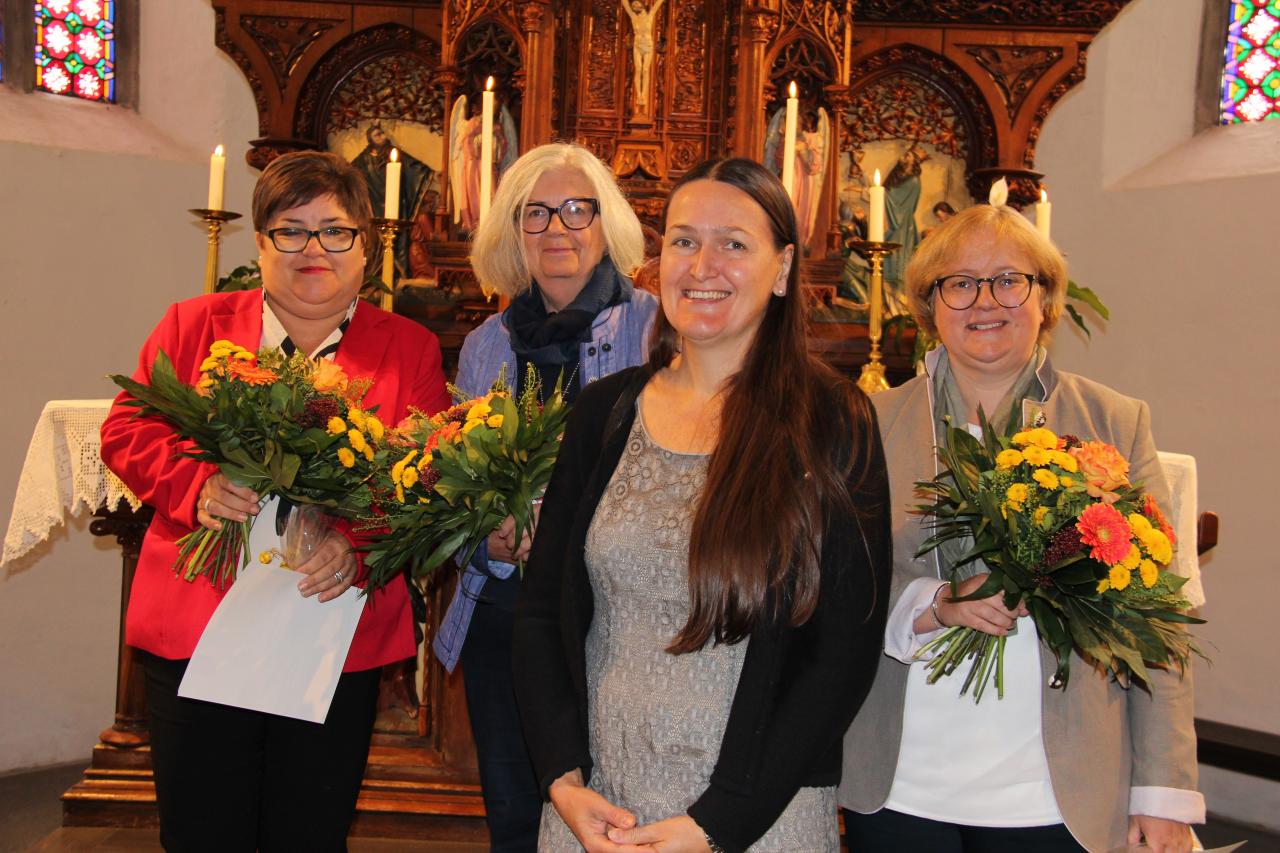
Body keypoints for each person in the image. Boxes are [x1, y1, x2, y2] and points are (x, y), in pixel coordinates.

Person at [513, 157, 892, 853]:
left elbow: (843, 652)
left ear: (781, 269)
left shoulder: (832, 420)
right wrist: (562, 777)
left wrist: (721, 822)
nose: (702, 263)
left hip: (756, 815)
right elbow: (541, 611)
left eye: (734, 243)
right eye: (684, 241)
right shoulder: (604, 411)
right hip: (598, 810)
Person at [101, 150, 451, 852]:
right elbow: (127, 428)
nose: (312, 249)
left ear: (364, 244)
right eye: (290, 230)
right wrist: (192, 485)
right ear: (259, 244)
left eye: (334, 229)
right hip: (200, 629)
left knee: (309, 832)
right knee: (204, 831)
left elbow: (428, 471)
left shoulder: (407, 347)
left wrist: (356, 547)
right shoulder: (192, 325)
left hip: (330, 632)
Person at [839, 203, 1202, 853]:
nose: (986, 301)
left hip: (1055, 784)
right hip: (902, 778)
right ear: (930, 305)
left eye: (1010, 279)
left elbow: (1159, 618)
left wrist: (1162, 790)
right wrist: (935, 603)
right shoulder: (869, 421)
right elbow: (833, 583)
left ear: (1045, 297)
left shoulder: (1114, 422)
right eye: (960, 282)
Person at [431, 142, 657, 851]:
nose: (557, 227)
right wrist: (489, 533)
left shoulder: (656, 326)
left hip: (614, 615)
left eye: (576, 209)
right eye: (537, 213)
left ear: (605, 222)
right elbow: (454, 480)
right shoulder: (483, 345)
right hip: (507, 611)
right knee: (514, 809)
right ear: (512, 230)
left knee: (617, 810)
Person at [621, 0, 665, 115]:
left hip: (648, 46)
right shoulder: (633, 17)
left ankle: (643, 96)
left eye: (636, 4)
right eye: (633, 5)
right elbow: (625, 4)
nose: (634, 6)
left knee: (645, 70)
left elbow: (657, 4)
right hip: (637, 46)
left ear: (642, 4)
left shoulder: (650, 15)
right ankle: (638, 95)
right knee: (638, 69)